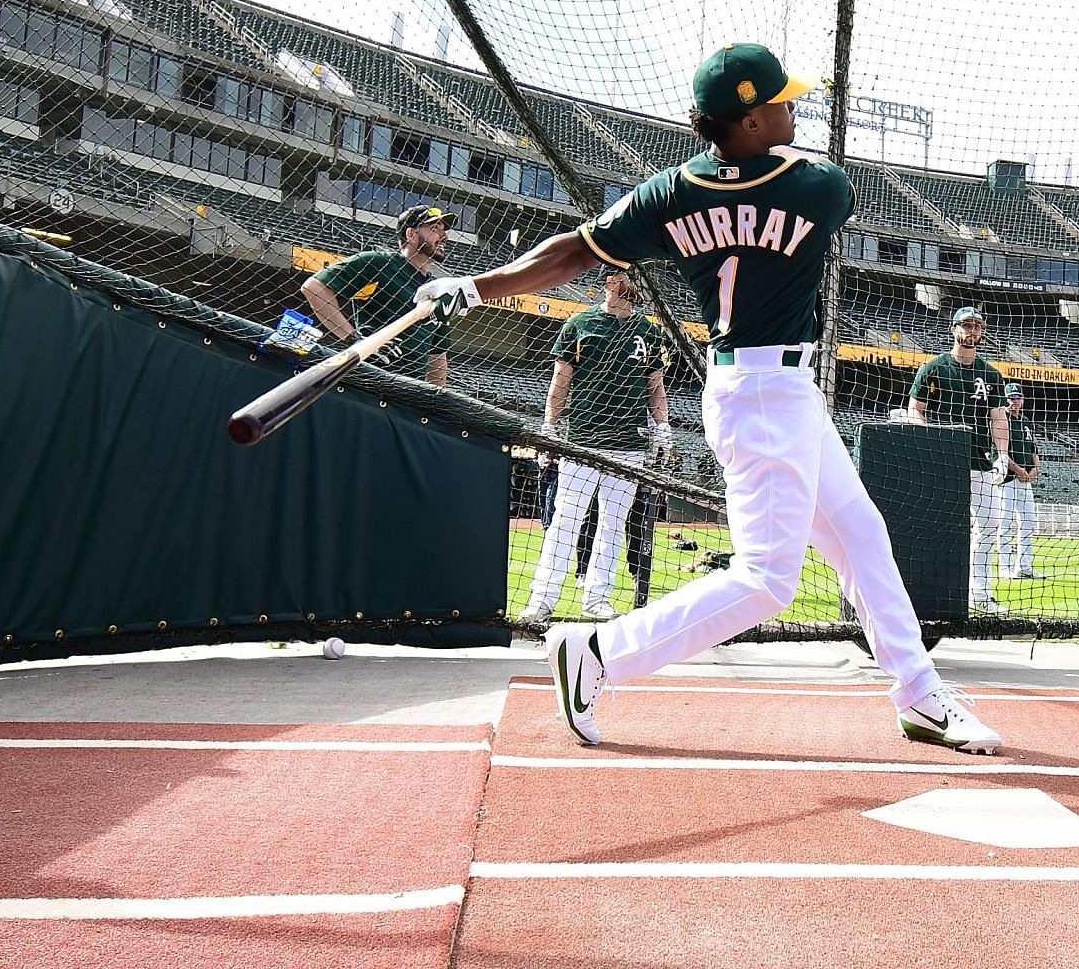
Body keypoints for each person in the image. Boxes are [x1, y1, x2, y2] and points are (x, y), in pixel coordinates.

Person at [415, 42, 999, 756]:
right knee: (765, 581)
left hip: (766, 389)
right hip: (765, 394)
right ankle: (599, 653)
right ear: (747, 121)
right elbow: (805, 191)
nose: (793, 107)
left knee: (860, 533)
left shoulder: (670, 192)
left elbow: (571, 250)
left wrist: (474, 286)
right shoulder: (817, 183)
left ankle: (918, 692)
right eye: (779, 101)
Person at [516, 265, 674, 627]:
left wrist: (662, 428)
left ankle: (598, 599)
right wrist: (550, 427)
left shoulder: (649, 332)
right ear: (612, 280)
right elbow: (561, 380)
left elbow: (656, 386)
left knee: (613, 526)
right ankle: (542, 600)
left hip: (629, 443)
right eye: (632, 276)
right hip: (582, 441)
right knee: (564, 523)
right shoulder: (579, 325)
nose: (640, 283)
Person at [907, 307, 1012, 612]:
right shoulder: (934, 368)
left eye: (977, 327)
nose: (971, 332)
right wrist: (927, 442)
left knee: (991, 524)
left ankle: (978, 592)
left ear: (982, 333)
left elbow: (997, 416)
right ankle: (928, 590)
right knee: (939, 527)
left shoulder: (991, 373)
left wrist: (1002, 455)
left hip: (978, 460)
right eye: (966, 326)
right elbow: (916, 409)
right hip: (942, 462)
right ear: (953, 330)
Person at [301, 204, 456, 385]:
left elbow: (437, 354)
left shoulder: (437, 288)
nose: (444, 236)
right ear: (411, 234)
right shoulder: (378, 263)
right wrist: (354, 339)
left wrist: (434, 402)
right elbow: (314, 287)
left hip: (409, 394)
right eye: (434, 228)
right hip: (368, 381)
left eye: (444, 229)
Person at [995, 383, 1042, 579]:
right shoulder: (1000, 419)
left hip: (1025, 480)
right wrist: (1020, 470)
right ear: (1006, 399)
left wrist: (1035, 469)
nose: (1015, 401)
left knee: (1029, 520)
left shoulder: (1025, 421)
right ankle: (1005, 567)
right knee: (1005, 522)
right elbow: (1000, 452)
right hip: (1007, 478)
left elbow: (1033, 449)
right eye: (1012, 398)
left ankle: (1024, 565)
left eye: (1018, 398)